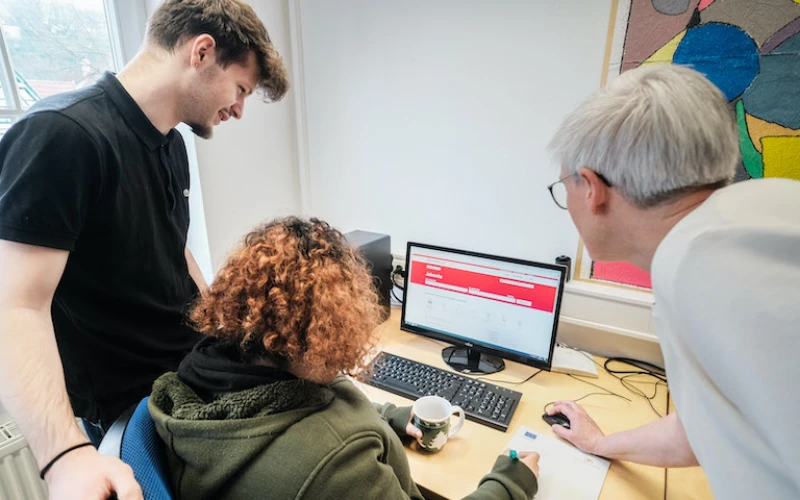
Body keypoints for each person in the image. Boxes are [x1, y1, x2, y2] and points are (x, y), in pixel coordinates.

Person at [0, 1, 289, 498]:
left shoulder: (170, 143)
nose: (239, 110)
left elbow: (175, 250)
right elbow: (15, 305)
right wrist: (64, 456)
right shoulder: (62, 135)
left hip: (186, 378)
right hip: (128, 410)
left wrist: (225, 330)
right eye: (240, 89)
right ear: (202, 52)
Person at [544, 64, 800, 499]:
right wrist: (600, 444)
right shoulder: (767, 208)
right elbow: (706, 422)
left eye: (563, 185)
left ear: (590, 188)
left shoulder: (703, 266)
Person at [149, 217, 540, 500]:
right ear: (316, 332)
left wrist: (389, 416)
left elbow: (307, 402)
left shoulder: (209, 375)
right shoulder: (335, 465)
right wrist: (510, 483)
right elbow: (325, 438)